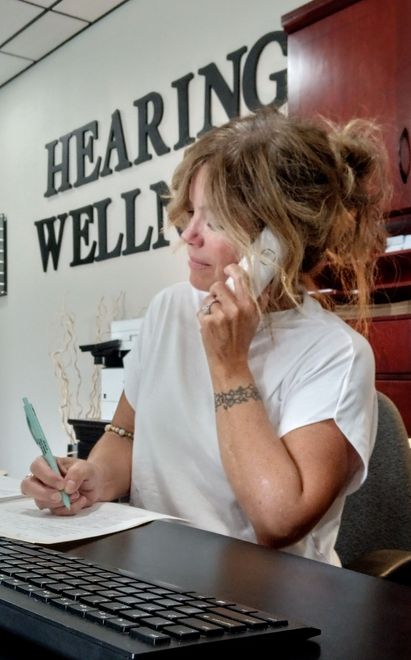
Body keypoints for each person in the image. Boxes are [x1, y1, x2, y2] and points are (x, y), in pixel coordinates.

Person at [21, 105, 389, 566]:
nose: (188, 234)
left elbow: (278, 521)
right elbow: (127, 435)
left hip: (271, 602)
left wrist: (230, 363)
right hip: (156, 575)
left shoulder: (336, 355)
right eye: (191, 212)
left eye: (215, 222)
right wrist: (92, 476)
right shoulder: (169, 309)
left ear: (279, 243)